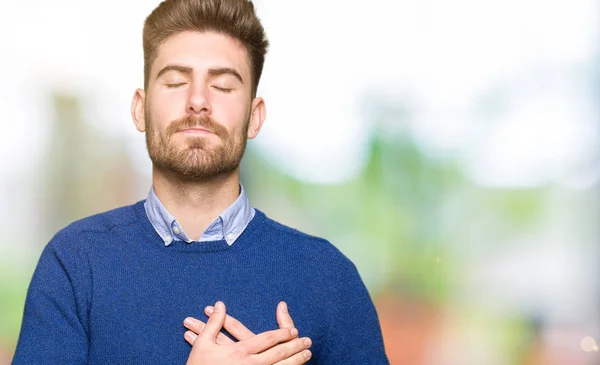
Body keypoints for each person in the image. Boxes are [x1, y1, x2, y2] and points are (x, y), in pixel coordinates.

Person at [12, 0, 390, 364]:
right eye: (176, 82)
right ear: (140, 109)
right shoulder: (75, 265)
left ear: (254, 118)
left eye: (223, 86)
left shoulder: (328, 277)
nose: (197, 101)